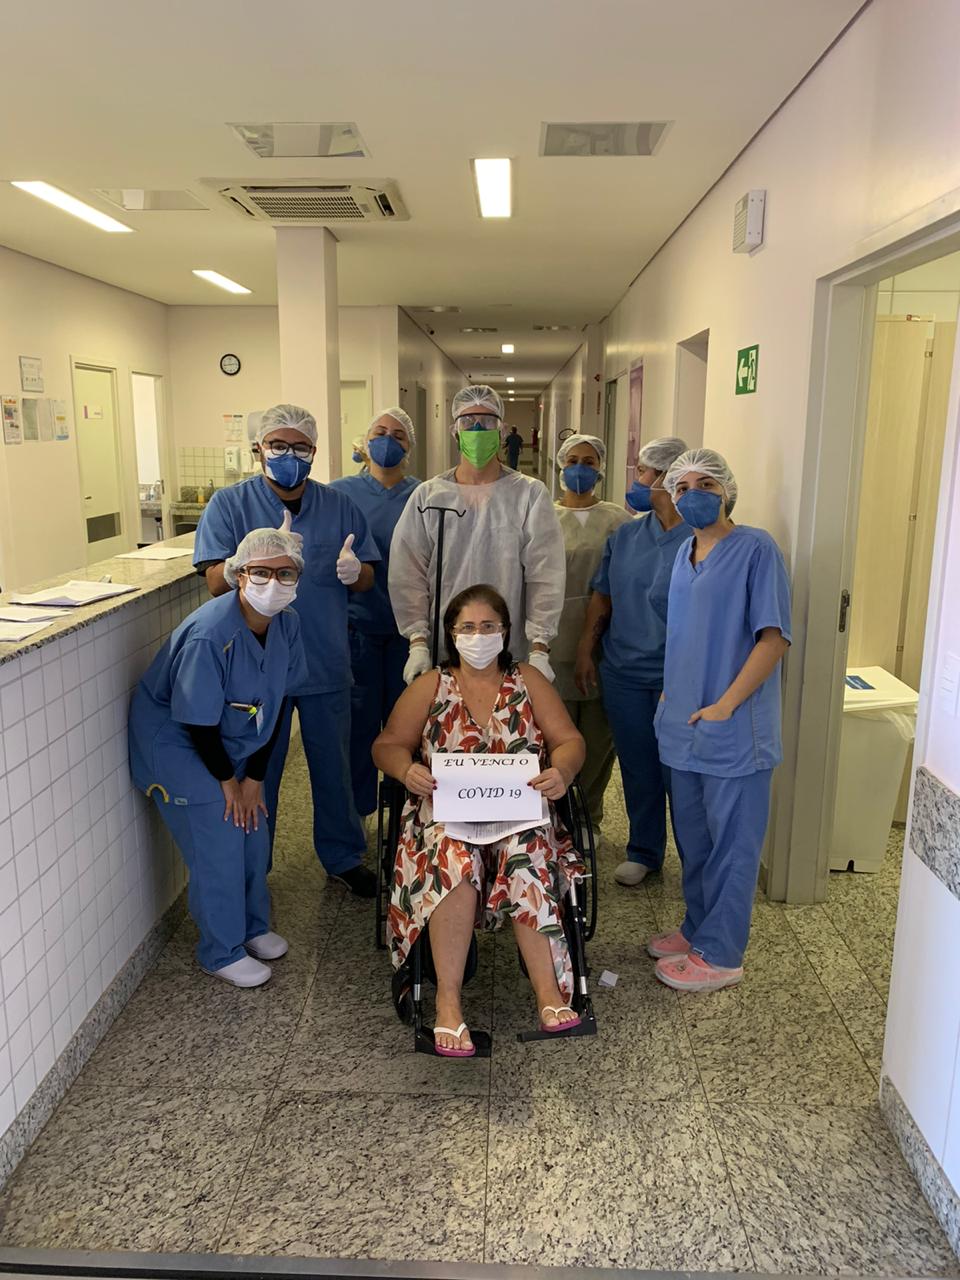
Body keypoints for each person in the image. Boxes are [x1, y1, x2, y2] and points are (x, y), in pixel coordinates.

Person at [373, 584, 586, 1056]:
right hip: (445, 815)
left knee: (527, 852)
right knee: (453, 856)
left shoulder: (528, 680)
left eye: (488, 626)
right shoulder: (431, 685)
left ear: (505, 631)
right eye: (467, 627)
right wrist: (406, 770)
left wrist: (562, 771)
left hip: (519, 812)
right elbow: (387, 745)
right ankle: (448, 1004)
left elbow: (569, 740)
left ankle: (549, 994)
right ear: (451, 634)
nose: (478, 635)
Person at [193, 403, 381, 897]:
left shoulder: (339, 506)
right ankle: (253, 863)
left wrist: (354, 572)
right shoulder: (229, 505)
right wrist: (239, 563)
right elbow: (213, 582)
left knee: (334, 767)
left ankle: (343, 856)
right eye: (278, 445)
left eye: (299, 447)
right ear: (258, 448)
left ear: (314, 452)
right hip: (254, 668)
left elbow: (367, 577)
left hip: (323, 657)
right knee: (258, 769)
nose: (289, 455)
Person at [129, 519, 308, 987]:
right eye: (261, 572)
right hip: (180, 743)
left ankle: (251, 927)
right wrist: (230, 782)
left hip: (234, 739)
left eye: (285, 573)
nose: (273, 583)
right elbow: (196, 720)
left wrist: (255, 779)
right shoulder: (211, 634)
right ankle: (220, 950)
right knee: (223, 835)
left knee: (255, 827)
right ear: (238, 574)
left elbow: (279, 702)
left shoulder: (287, 625)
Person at [649, 448, 791, 992]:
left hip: (734, 728)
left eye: (705, 484)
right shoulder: (684, 551)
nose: (692, 495)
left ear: (727, 490)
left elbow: (773, 637)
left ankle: (722, 953)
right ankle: (697, 927)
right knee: (694, 838)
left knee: (733, 847)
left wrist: (728, 703)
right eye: (681, 487)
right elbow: (685, 631)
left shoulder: (756, 549)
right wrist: (671, 690)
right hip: (683, 721)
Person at [389, 384, 565, 684]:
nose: (478, 429)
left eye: (487, 421)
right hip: (444, 644)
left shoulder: (529, 495)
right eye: (468, 421)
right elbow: (408, 574)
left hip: (508, 645)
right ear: (455, 431)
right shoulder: (429, 496)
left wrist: (540, 647)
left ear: (502, 430)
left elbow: (545, 574)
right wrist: (417, 642)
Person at [575, 437, 689, 885]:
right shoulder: (626, 535)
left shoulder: (698, 539)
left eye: (642, 471)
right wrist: (586, 649)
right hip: (623, 671)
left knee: (680, 773)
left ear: (666, 478)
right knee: (638, 766)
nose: (636, 479)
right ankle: (644, 850)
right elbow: (602, 595)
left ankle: (695, 861)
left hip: (676, 676)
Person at [329, 408, 420, 816]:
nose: (388, 441)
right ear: (363, 444)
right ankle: (359, 816)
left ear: (409, 446)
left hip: (410, 632)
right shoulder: (338, 495)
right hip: (357, 629)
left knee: (407, 730)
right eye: (380, 432)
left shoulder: (425, 495)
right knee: (358, 728)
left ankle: (406, 819)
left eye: (398, 435)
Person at [552, 434, 631, 829]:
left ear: (600, 469)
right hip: (551, 641)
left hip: (604, 642)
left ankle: (589, 817)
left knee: (598, 738)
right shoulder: (542, 515)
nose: (580, 469)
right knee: (556, 734)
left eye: (589, 461)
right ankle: (556, 817)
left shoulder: (618, 520)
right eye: (572, 461)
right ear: (560, 466)